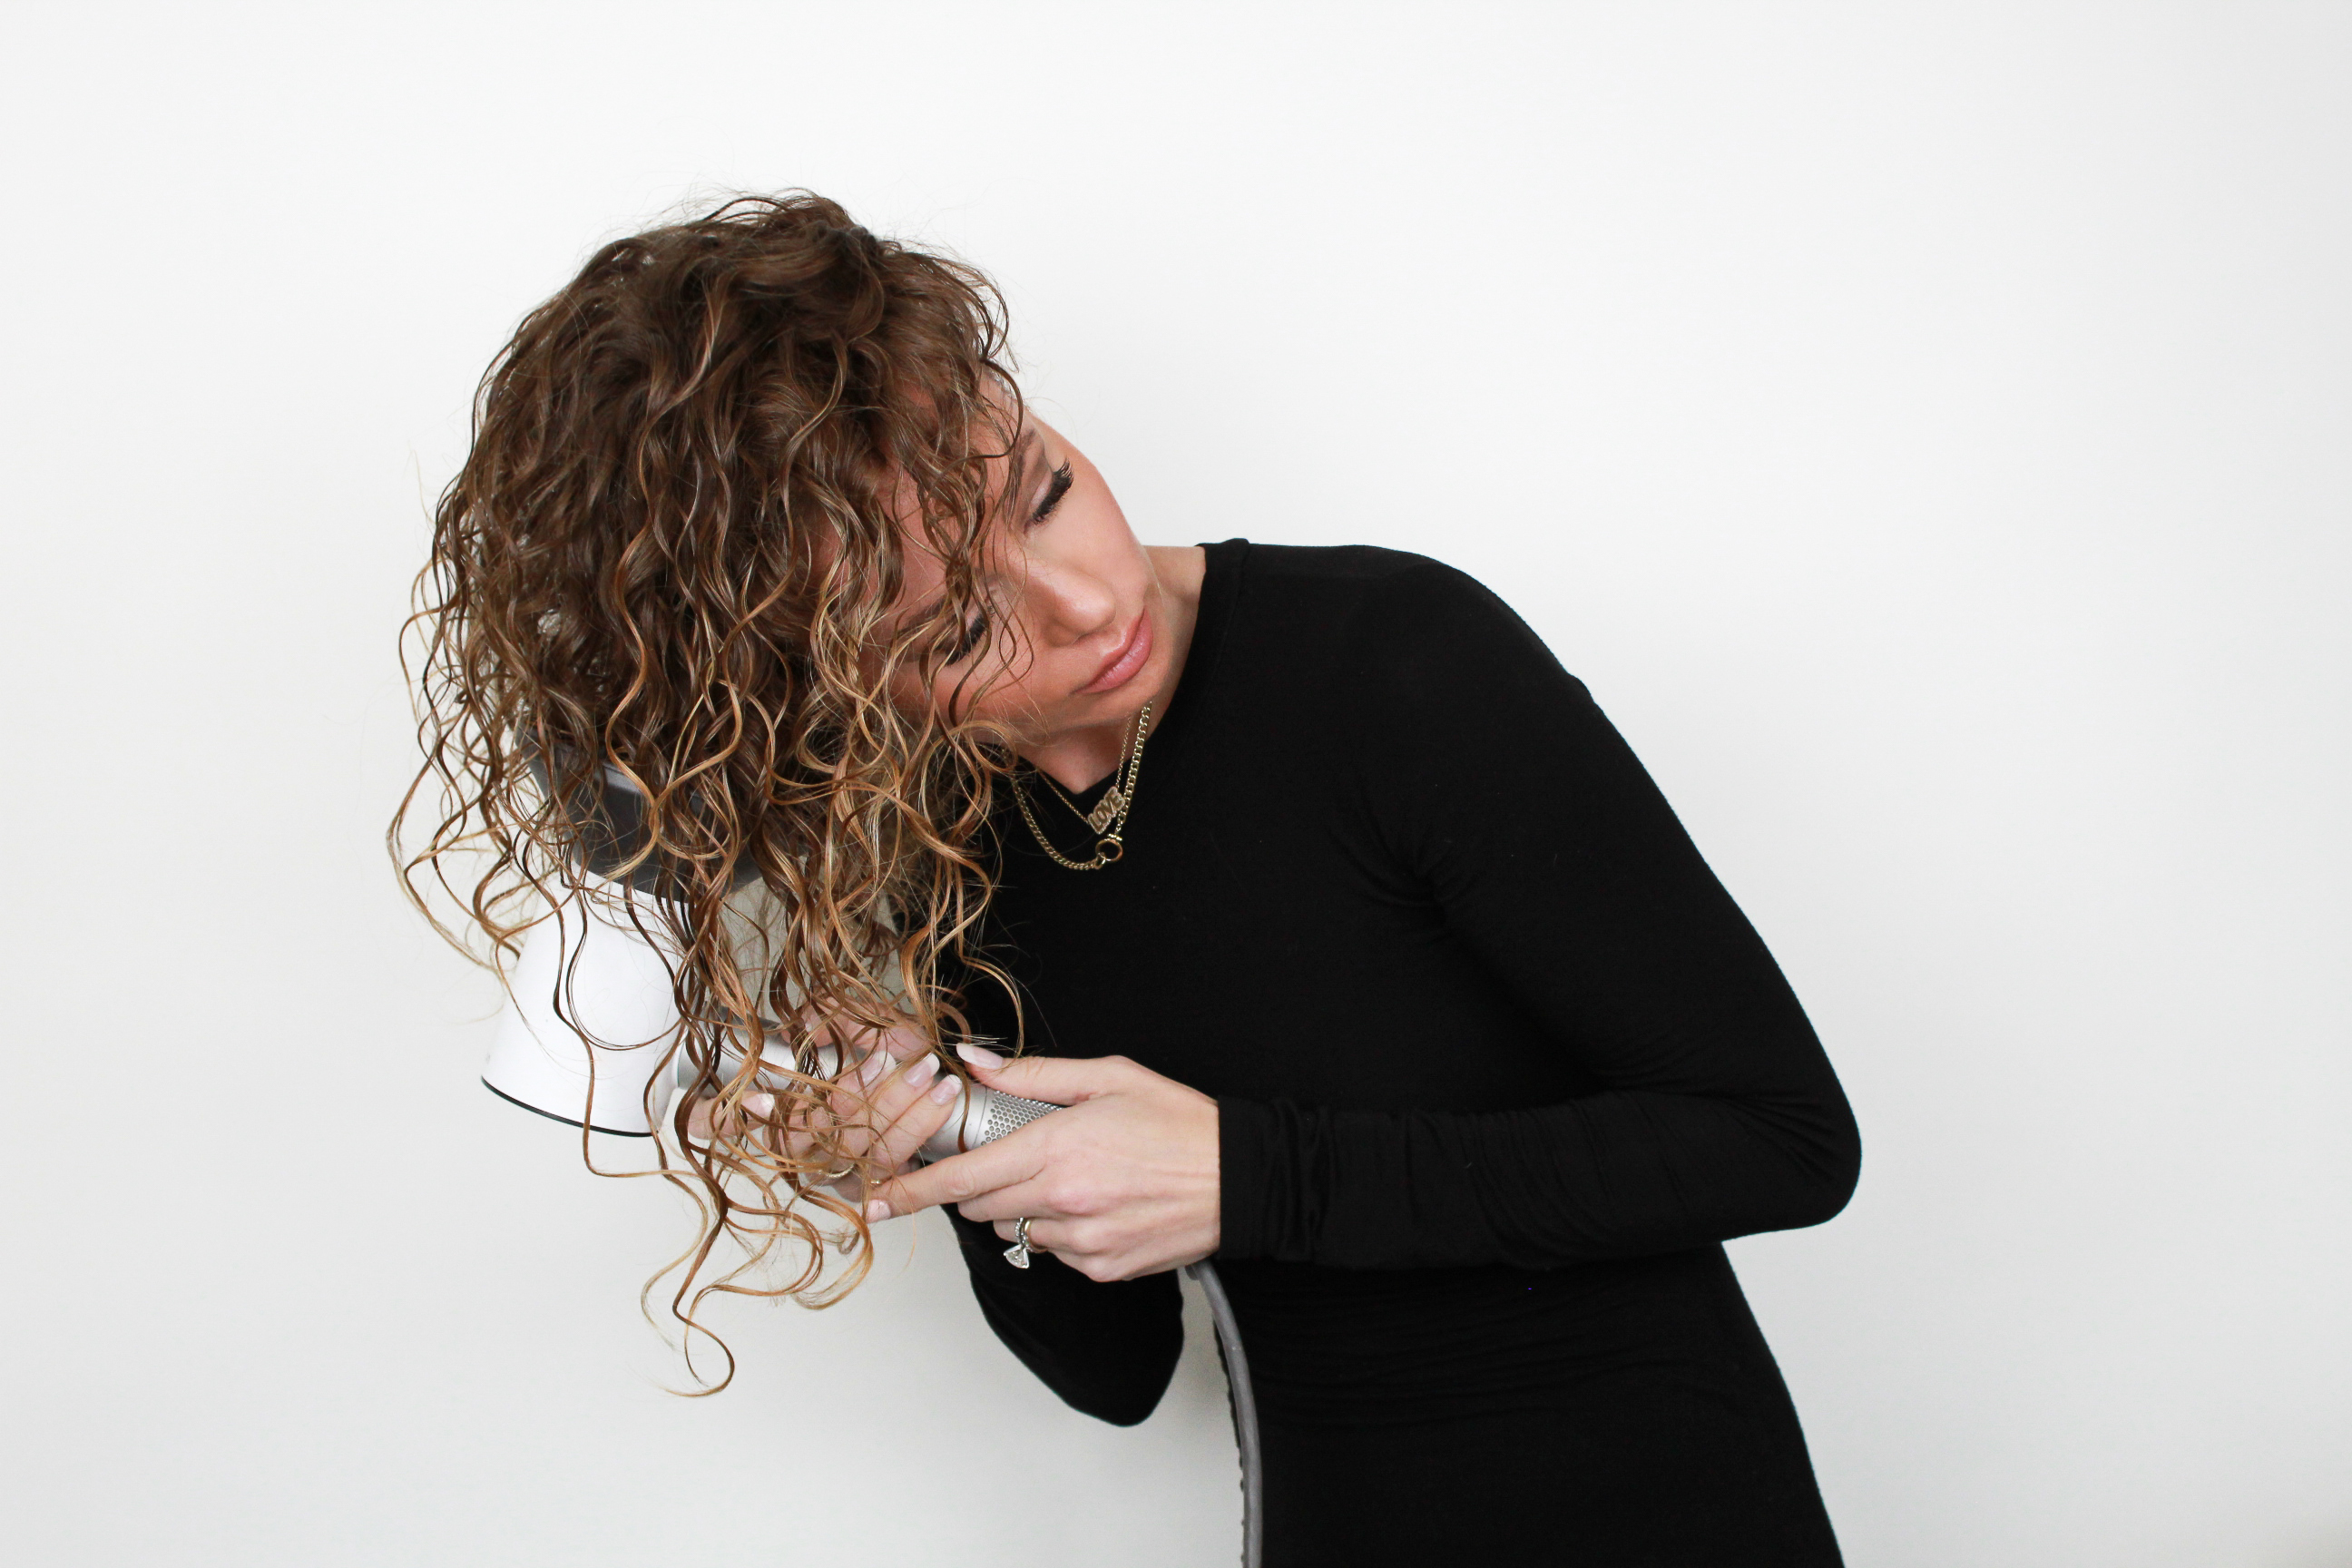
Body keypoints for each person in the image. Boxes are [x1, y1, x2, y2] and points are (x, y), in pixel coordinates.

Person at [397, 191, 1861, 1566]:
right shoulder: (948, 841)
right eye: (960, 636)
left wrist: (1248, 1174)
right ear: (845, 695)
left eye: (1040, 493)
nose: (1089, 602)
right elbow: (1118, 1371)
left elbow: (1785, 1139)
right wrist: (956, 1140)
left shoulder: (1396, 668)